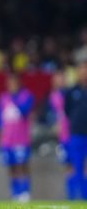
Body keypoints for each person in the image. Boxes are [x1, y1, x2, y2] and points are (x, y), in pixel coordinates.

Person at [0, 74, 34, 202]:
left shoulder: (26, 95)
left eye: (13, 82)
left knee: (22, 165)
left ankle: (25, 193)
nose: (11, 85)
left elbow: (24, 111)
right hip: (7, 140)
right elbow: (0, 119)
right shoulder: (3, 97)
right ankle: (15, 193)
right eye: (9, 82)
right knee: (11, 166)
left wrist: (14, 101)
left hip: (21, 139)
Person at [64, 60, 87, 200]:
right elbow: (67, 111)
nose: (84, 72)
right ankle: (73, 199)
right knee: (74, 166)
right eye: (81, 69)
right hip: (76, 134)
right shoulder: (72, 91)